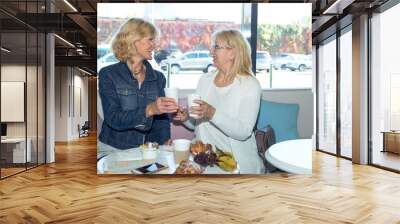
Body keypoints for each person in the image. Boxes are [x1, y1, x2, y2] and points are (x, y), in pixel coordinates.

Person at [174, 29, 263, 174]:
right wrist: (186, 118)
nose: (211, 51)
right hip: (202, 159)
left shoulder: (250, 85)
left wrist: (212, 113)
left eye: (216, 46)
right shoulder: (205, 80)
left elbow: (244, 132)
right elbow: (196, 125)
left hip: (235, 164)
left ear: (233, 53)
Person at [98, 18, 178, 159]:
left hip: (147, 150)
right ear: (134, 41)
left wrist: (164, 141)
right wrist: (149, 109)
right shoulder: (108, 74)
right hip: (113, 149)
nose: (154, 45)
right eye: (150, 40)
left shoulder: (158, 77)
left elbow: (161, 119)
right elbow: (113, 118)